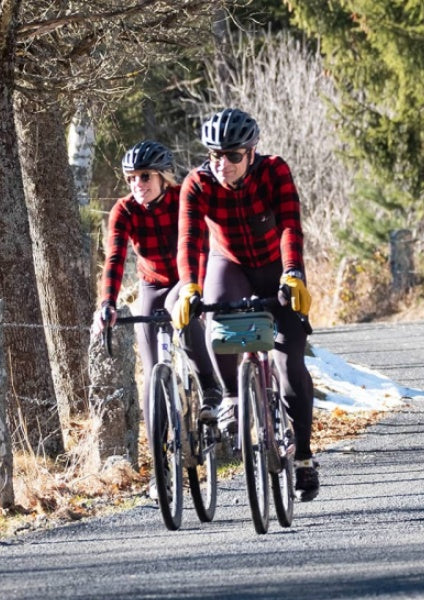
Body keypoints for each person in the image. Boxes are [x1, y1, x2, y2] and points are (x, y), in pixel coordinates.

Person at [171, 108, 319, 501]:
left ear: (251, 152)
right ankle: (234, 397)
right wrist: (188, 286)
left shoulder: (274, 171)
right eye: (216, 155)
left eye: (233, 155)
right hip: (230, 263)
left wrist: (293, 273)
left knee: (291, 367)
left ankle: (302, 456)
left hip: (276, 268)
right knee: (216, 317)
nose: (224, 164)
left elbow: (290, 224)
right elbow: (188, 241)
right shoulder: (198, 184)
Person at [92, 140, 220, 496]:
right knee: (152, 377)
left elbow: (203, 246)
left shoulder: (183, 199)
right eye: (131, 177)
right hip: (151, 285)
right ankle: (160, 468)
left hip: (187, 277)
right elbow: (115, 258)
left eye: (145, 176)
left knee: (186, 320)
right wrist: (108, 302)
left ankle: (210, 388)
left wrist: (198, 290)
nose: (138, 184)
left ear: (163, 177)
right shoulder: (125, 211)